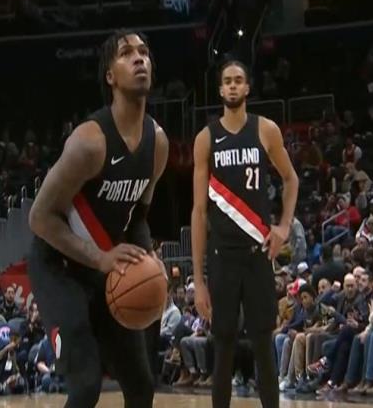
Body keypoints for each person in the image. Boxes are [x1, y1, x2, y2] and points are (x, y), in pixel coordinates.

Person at [27, 30, 169, 408]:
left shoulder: (158, 144)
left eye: (144, 52)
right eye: (126, 53)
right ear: (110, 77)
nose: (139, 58)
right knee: (86, 384)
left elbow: (138, 218)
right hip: (58, 265)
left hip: (105, 268)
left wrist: (148, 258)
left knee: (141, 386)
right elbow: (39, 218)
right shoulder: (89, 142)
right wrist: (99, 258)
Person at [191, 58, 298, 408]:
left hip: (257, 255)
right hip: (222, 257)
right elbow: (198, 211)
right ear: (220, 89)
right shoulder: (206, 138)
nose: (233, 85)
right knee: (223, 345)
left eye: (239, 80)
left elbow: (291, 179)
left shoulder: (265, 129)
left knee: (263, 343)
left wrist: (283, 226)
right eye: (227, 81)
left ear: (248, 87)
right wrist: (199, 281)